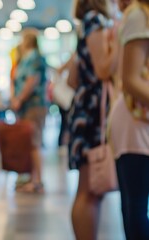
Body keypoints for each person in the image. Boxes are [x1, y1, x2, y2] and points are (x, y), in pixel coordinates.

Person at [68, 0, 119, 239]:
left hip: (87, 110)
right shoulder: (95, 21)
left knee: (89, 189)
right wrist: (120, 41)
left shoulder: (88, 21)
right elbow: (102, 69)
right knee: (89, 189)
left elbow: (74, 76)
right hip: (91, 113)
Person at [109, 0, 149, 239]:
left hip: (141, 120)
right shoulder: (139, 14)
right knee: (135, 206)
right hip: (136, 123)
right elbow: (131, 80)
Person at [10, 28, 47, 193]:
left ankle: (37, 180)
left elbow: (32, 81)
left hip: (34, 105)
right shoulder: (26, 59)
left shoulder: (34, 58)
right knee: (30, 142)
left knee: (34, 143)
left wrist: (19, 99)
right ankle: (32, 178)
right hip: (27, 106)